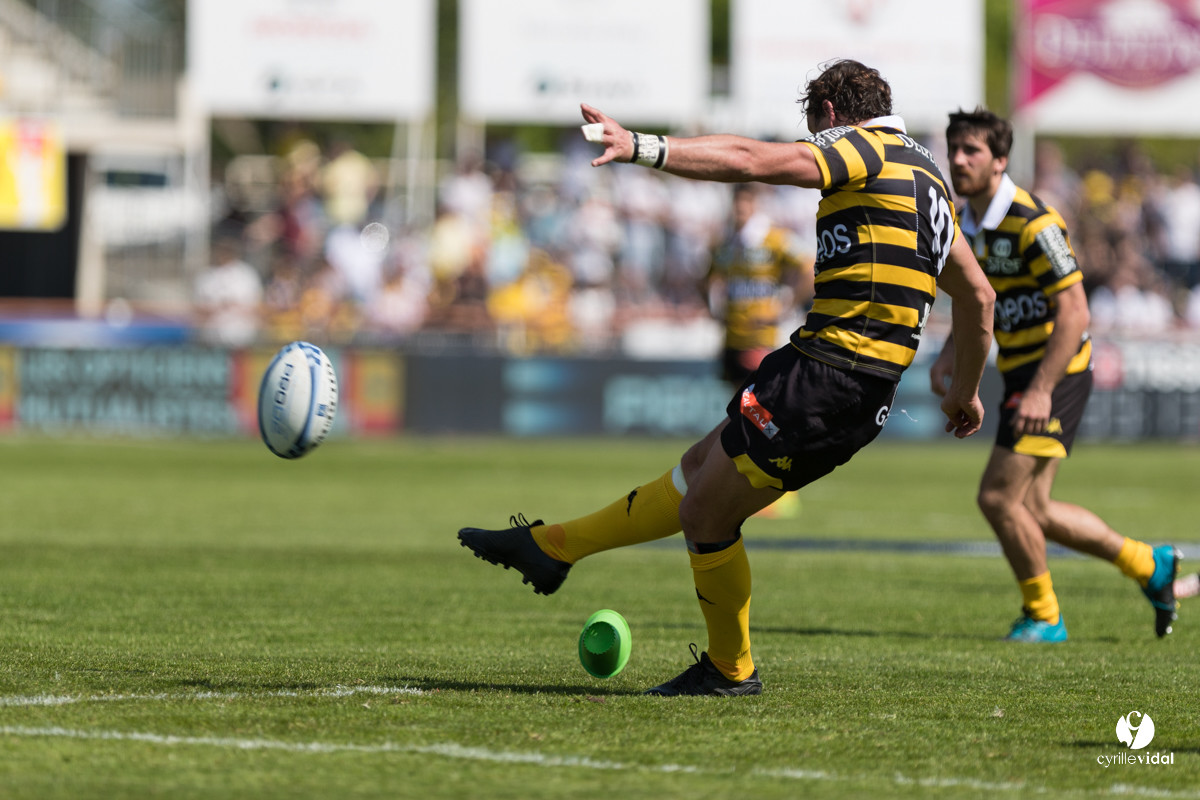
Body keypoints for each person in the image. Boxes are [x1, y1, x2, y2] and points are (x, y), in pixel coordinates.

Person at [459, 60, 995, 696]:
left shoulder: (864, 148)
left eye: (812, 126)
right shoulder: (927, 176)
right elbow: (979, 297)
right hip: (831, 373)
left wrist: (642, 148)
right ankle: (551, 549)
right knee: (697, 469)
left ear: (829, 114)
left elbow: (749, 160)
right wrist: (963, 393)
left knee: (706, 515)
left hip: (831, 376)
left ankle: (731, 669)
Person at [931, 108, 1181, 644]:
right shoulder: (962, 223)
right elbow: (981, 303)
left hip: (1056, 372)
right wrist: (950, 353)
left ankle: (1045, 616)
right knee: (1035, 509)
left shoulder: (1034, 222)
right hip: (1025, 372)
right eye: (954, 149)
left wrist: (1043, 389)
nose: (958, 160)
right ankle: (1149, 565)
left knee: (998, 499)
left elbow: (1075, 313)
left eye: (971, 151)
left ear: (1001, 161)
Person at [702, 183, 813, 386]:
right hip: (732, 336)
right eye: (737, 202)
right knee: (735, 402)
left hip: (761, 336)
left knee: (757, 401)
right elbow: (707, 277)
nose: (740, 208)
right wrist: (714, 310)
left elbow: (808, 269)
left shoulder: (774, 239)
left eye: (746, 202)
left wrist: (785, 307)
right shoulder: (724, 242)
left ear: (755, 204)